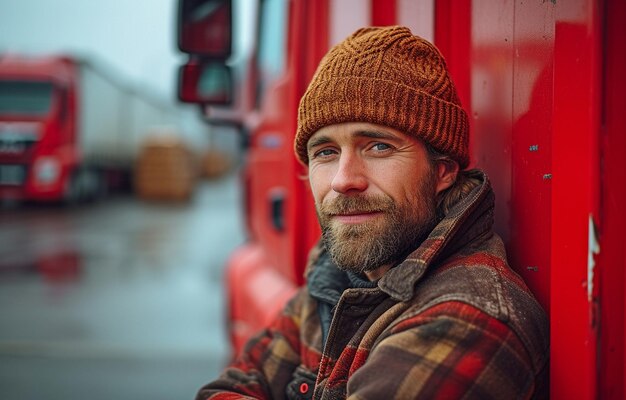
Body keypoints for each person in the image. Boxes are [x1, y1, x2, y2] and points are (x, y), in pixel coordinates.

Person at [197, 26, 549, 400]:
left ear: (442, 171)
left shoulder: (467, 321)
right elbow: (232, 385)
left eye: (379, 146)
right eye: (326, 152)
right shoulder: (336, 277)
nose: (343, 180)